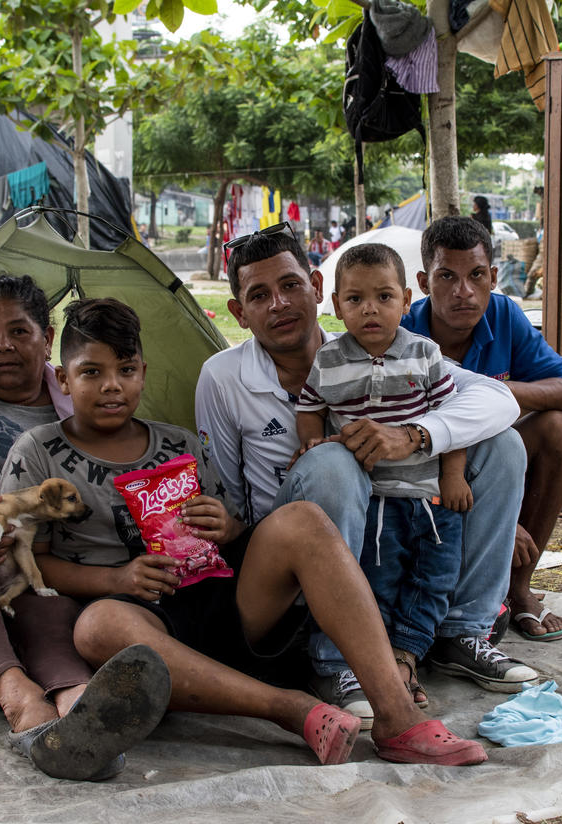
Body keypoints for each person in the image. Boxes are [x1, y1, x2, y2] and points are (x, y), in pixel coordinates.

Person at [3, 298, 487, 767]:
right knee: (97, 626)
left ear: (143, 374)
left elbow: (234, 532)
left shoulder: (179, 443)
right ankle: (292, 709)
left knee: (304, 520)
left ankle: (396, 717)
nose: (112, 386)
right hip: (138, 619)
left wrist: (227, 525)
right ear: (63, 378)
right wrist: (117, 581)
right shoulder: (37, 450)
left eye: (126, 370)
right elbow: (30, 565)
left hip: (222, 603)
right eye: (92, 372)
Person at [195, 225, 537, 729]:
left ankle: (463, 632)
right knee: (335, 462)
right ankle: (333, 658)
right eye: (258, 295)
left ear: (316, 288)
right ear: (239, 312)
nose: (279, 305)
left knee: (503, 445)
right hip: (287, 547)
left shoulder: (376, 345)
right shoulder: (223, 377)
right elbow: (227, 493)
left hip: (395, 511)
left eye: (290, 286)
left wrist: (416, 435)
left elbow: (497, 400)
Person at [0, 275, 170, 782]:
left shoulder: (81, 396)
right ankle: (18, 697)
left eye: (18, 331)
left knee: (41, 588)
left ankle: (80, 707)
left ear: (47, 338)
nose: (2, 345)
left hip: (28, 554)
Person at [295, 243, 471, 708]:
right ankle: (383, 663)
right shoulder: (330, 361)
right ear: (336, 306)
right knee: (381, 581)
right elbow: (310, 408)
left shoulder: (426, 354)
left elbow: (454, 419)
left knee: (435, 578)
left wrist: (453, 477)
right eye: (354, 300)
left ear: (407, 299)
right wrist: (312, 442)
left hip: (430, 499)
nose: (370, 309)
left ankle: (408, 654)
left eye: (384, 296)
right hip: (374, 502)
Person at [401, 216, 562, 641]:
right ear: (424, 281)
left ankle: (519, 588)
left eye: (476, 276)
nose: (463, 291)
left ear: (493, 277)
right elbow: (403, 440)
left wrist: (495, 394)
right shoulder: (404, 331)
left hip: (493, 460)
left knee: (558, 428)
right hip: (425, 473)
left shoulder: (504, 314)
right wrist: (499, 519)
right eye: (447, 276)